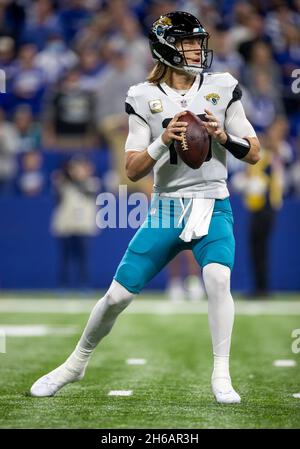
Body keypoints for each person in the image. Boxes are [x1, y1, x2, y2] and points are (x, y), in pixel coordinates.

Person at [30, 11, 260, 404]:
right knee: (117, 297)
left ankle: (221, 373)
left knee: (218, 280)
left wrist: (223, 135)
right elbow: (133, 168)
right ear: (165, 48)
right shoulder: (143, 96)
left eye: (198, 41)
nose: (197, 49)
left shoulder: (223, 86)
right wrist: (163, 141)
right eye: (188, 41)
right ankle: (75, 363)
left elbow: (254, 152)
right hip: (166, 208)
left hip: (213, 204)